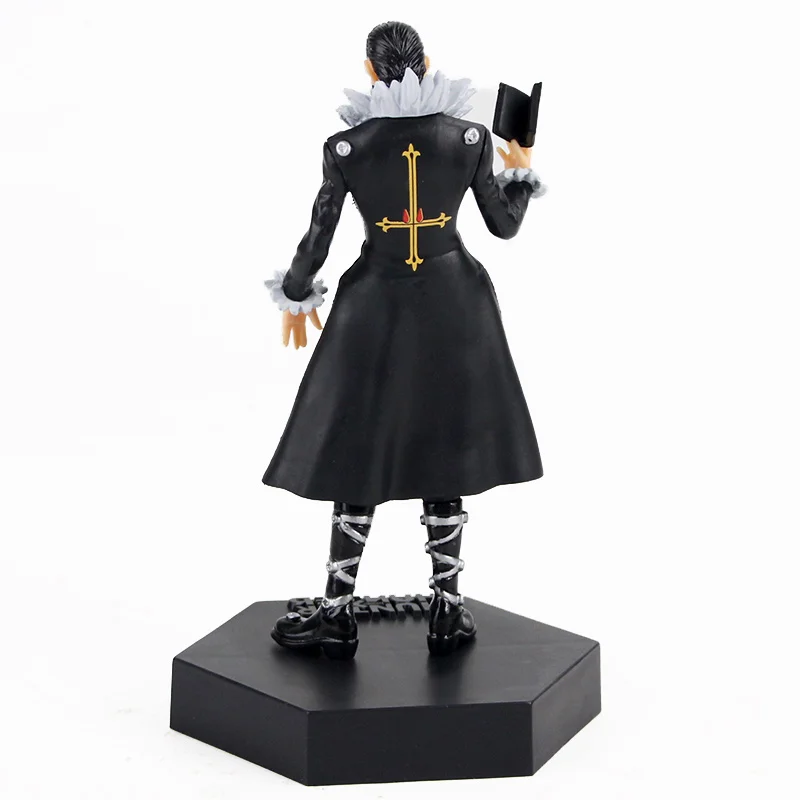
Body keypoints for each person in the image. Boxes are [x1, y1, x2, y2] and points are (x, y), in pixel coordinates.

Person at [263, 21, 546, 659]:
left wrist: (297, 294)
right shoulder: (469, 137)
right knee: (445, 441)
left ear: (371, 72)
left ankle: (337, 613)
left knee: (358, 444)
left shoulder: (347, 147)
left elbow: (319, 234)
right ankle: (448, 609)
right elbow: (503, 226)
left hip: (375, 307)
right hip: (457, 304)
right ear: (426, 62)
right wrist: (521, 170)